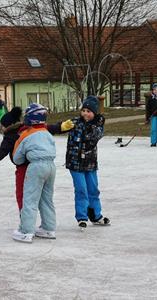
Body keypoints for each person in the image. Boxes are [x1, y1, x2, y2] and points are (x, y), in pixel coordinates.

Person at [0, 107, 74, 211]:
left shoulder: (10, 136)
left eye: (3, 126)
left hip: (23, 169)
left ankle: (25, 221)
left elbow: (0, 153)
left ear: (8, 125)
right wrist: (61, 127)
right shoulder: (29, 128)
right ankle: (46, 222)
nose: (2, 128)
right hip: (39, 166)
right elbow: (47, 128)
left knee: (21, 195)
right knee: (43, 196)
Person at [11, 103, 57, 243]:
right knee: (46, 199)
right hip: (51, 167)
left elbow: (17, 158)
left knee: (30, 199)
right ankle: (49, 228)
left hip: (36, 167)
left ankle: (26, 231)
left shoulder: (26, 134)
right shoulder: (48, 133)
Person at [65, 96, 110, 230]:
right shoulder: (75, 123)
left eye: (89, 111)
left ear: (94, 113)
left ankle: (96, 215)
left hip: (90, 164)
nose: (85, 113)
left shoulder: (97, 126)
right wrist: (63, 126)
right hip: (75, 163)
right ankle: (82, 217)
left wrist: (97, 122)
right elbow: (58, 127)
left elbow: (93, 136)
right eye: (83, 110)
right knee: (81, 190)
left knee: (93, 190)